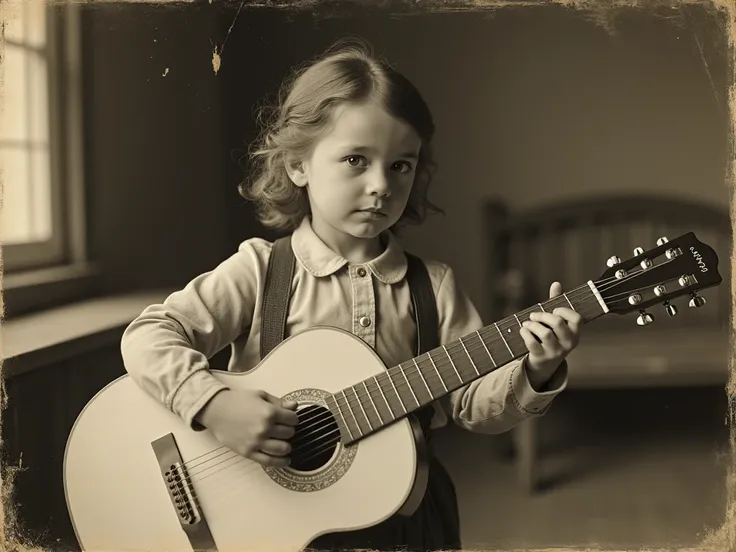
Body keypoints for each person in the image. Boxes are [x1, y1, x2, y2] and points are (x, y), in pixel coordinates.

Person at [120, 38, 583, 552]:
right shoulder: (260, 270)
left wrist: (535, 371)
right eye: (356, 160)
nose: (381, 184)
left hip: (406, 521)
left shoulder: (435, 287)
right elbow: (149, 334)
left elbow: (473, 405)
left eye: (401, 165)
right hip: (274, 522)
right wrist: (215, 404)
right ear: (298, 166)